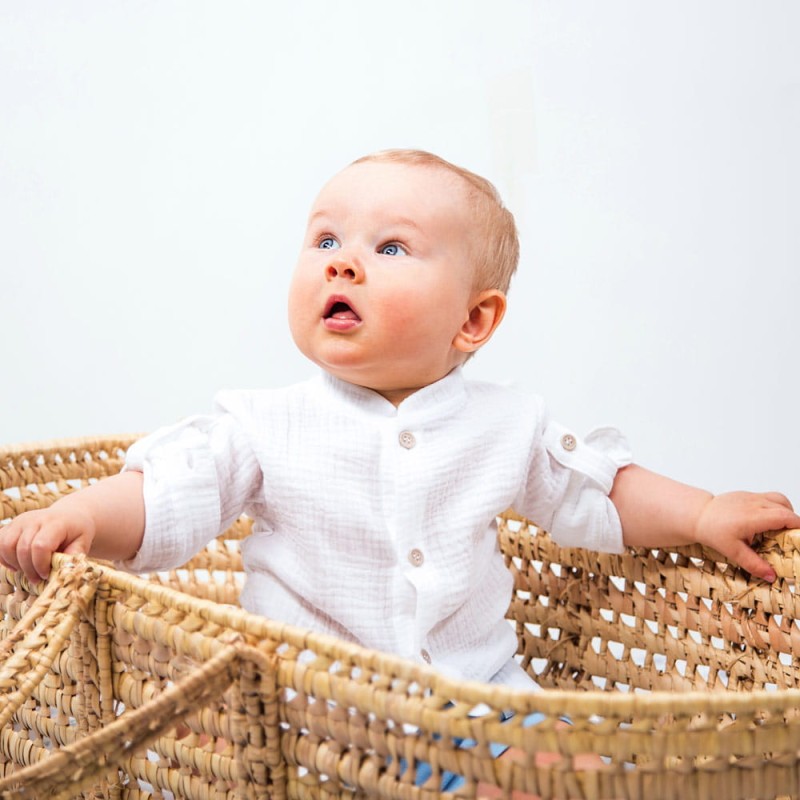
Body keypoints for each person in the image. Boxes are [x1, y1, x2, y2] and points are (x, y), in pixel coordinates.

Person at [1, 149, 798, 791]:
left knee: (595, 778)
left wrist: (699, 515)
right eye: (325, 241)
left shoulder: (505, 424)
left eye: (389, 248)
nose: (343, 265)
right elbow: (170, 493)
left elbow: (598, 492)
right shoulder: (263, 423)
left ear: (474, 320)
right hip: (311, 717)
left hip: (482, 704)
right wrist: (85, 518)